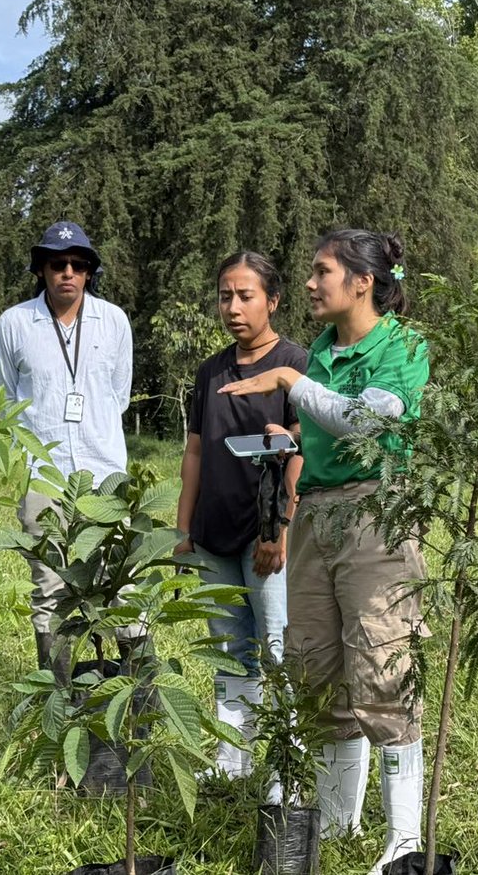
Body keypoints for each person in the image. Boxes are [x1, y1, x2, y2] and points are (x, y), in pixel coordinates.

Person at [221, 230, 428, 875]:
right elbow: (327, 427)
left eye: (321, 272)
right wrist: (288, 434)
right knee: (318, 670)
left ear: (361, 282)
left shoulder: (401, 346)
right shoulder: (322, 349)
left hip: (377, 519)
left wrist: (291, 383)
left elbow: (371, 424)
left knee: (384, 669)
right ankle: (339, 823)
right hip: (317, 514)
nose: (310, 284)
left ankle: (404, 838)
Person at [175, 251, 307, 779]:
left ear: (272, 301)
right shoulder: (211, 372)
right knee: (229, 650)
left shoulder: (297, 367)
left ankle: (286, 762)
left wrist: (277, 530)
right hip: (213, 534)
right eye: (225, 295)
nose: (233, 306)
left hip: (266, 536)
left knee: (277, 644)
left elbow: (300, 453)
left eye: (245, 295)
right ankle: (234, 758)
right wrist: (184, 530)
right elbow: (194, 453)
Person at [0, 221, 133, 680]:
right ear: (42, 270)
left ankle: (138, 690)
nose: (67, 272)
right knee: (50, 585)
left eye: (78, 264)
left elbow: (119, 394)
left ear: (90, 271)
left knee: (121, 582)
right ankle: (58, 693)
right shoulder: (15, 324)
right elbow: (5, 400)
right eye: (57, 263)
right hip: (43, 476)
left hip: (103, 473)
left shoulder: (113, 321)